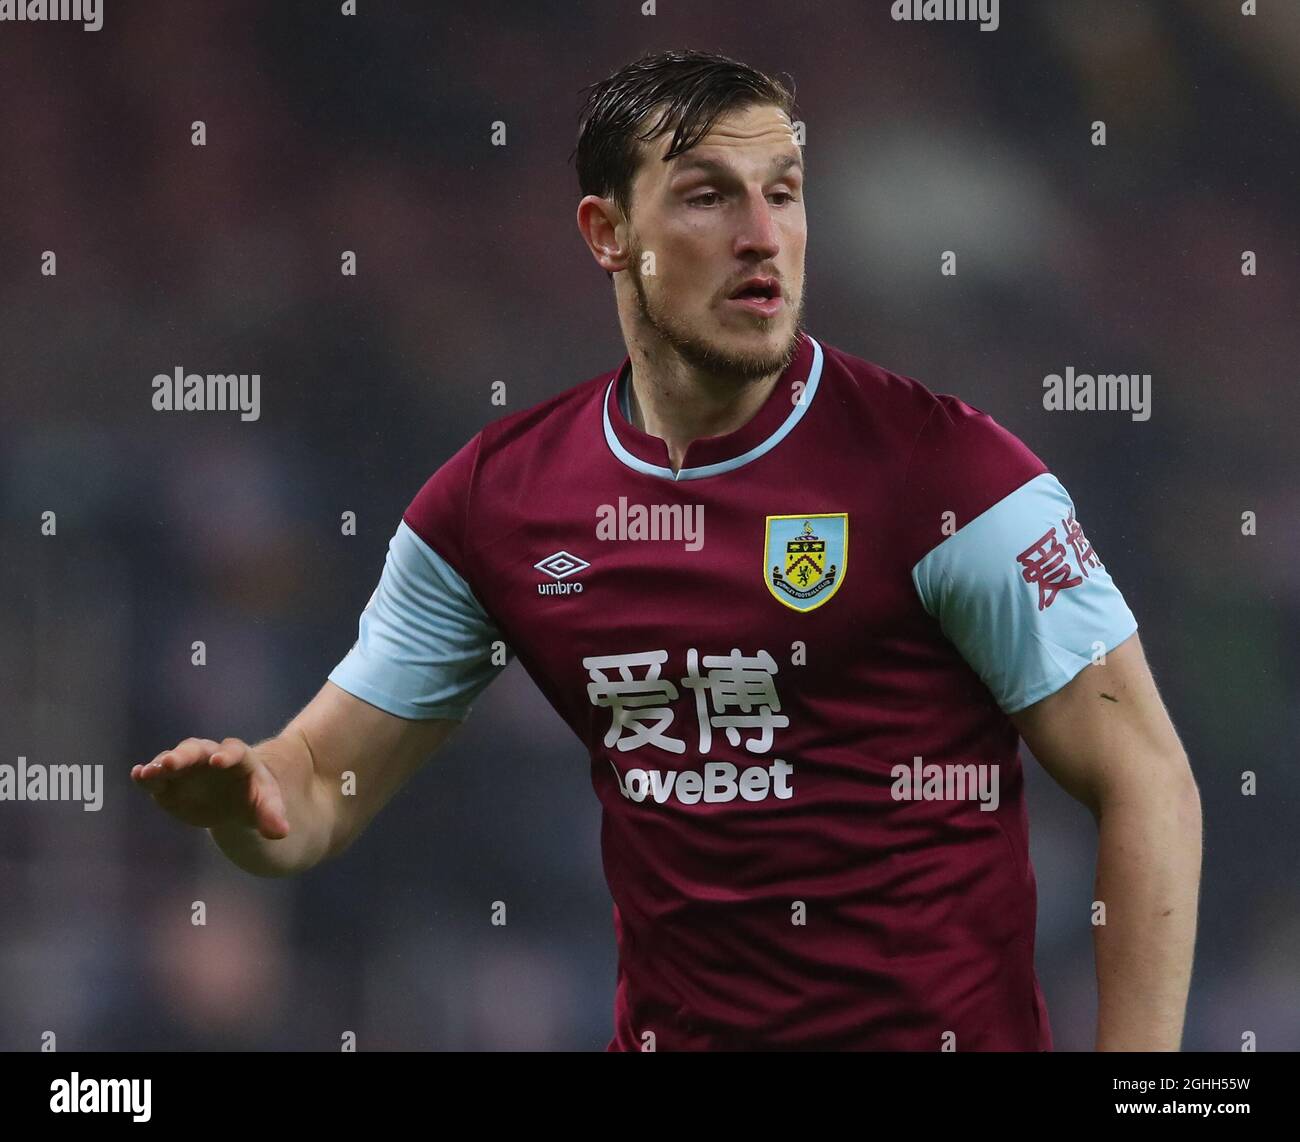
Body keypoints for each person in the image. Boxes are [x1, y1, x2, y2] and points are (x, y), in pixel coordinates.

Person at [133, 49, 1201, 1051]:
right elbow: (319, 784)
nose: (760, 234)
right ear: (606, 233)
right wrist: (250, 803)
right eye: (706, 195)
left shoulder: (952, 474)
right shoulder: (496, 503)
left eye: (782, 191)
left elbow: (1144, 774)